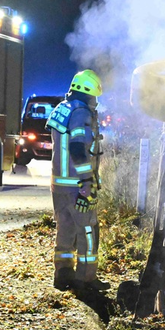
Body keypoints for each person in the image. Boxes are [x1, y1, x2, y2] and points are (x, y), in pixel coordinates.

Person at [46, 70, 109, 292]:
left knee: (65, 227)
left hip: (59, 184)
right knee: (88, 229)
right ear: (87, 93)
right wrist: (87, 182)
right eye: (94, 97)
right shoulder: (81, 113)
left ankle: (62, 274)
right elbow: (77, 149)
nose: (95, 102)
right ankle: (86, 279)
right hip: (76, 185)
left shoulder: (62, 108)